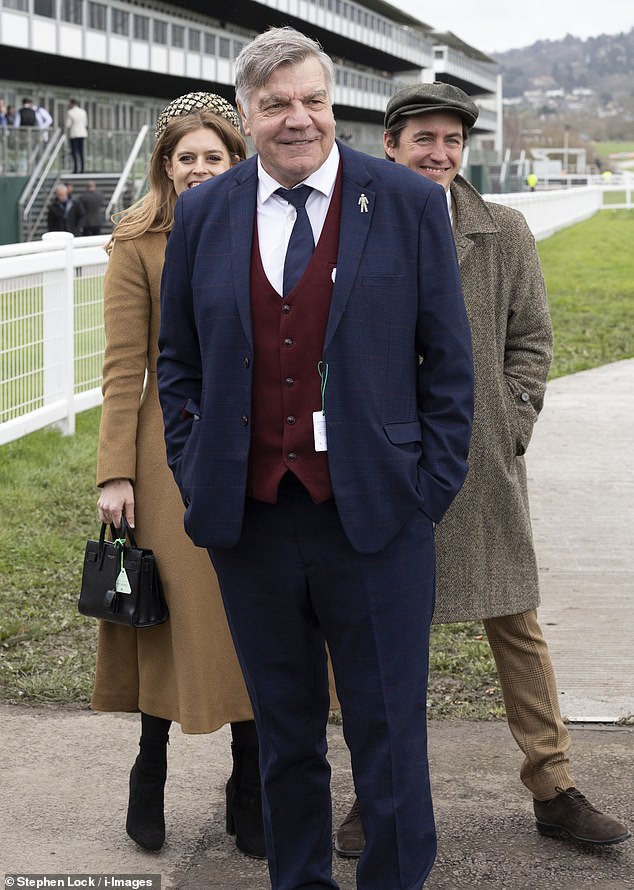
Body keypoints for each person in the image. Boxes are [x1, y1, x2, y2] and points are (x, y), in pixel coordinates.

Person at [157, 27, 474, 890]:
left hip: (377, 516)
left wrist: (428, 489)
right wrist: (198, 470)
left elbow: (449, 362)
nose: (299, 120)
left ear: (334, 106)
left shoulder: (404, 202)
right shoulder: (204, 213)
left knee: (388, 735)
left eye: (314, 101)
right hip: (252, 519)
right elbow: (177, 362)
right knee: (286, 733)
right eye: (277, 105)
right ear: (248, 116)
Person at [334, 81, 632, 857]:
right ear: (391, 145)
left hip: (483, 461)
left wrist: (513, 419)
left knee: (517, 622)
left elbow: (531, 340)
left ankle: (555, 785)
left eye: (452, 141)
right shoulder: (349, 229)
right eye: (423, 138)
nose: (439, 153)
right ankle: (379, 793)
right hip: (388, 466)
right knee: (382, 636)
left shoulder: (503, 231)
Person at [92, 91, 266, 859]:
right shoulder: (139, 245)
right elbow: (122, 370)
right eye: (185, 157)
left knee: (258, 615)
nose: (199, 169)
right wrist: (114, 474)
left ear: (238, 160)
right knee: (172, 613)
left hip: (263, 448)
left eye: (213, 156)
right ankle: (150, 765)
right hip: (169, 459)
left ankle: (252, 783)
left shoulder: (269, 226)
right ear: (166, 166)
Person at [66, 98, 88, 173]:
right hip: (82, 133)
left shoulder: (70, 112)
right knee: (81, 152)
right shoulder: (83, 112)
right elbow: (85, 123)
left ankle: (75, 168)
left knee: (74, 152)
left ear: (71, 104)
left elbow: (68, 125)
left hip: (74, 134)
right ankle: (82, 169)